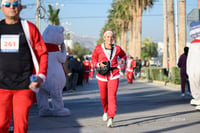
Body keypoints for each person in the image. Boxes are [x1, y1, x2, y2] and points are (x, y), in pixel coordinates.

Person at [0, 0, 48, 132]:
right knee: (0, 125)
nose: (12, 7)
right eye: (8, 4)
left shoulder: (29, 28)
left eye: (15, 4)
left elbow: (42, 53)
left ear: (20, 7)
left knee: (21, 127)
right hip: (1, 87)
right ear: (2, 8)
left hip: (23, 86)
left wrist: (41, 76)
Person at [91, 30, 126, 128]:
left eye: (111, 37)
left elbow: (123, 55)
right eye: (107, 37)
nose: (109, 39)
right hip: (102, 75)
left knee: (112, 96)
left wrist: (122, 60)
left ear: (113, 38)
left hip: (114, 74)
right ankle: (105, 111)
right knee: (103, 97)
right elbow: (93, 59)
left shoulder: (117, 49)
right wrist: (98, 64)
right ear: (104, 38)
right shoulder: (98, 48)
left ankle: (111, 117)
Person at [37, 25, 71, 117]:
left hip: (42, 77)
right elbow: (63, 59)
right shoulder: (56, 52)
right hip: (54, 78)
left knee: (41, 94)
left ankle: (43, 109)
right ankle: (58, 109)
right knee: (56, 93)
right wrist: (63, 49)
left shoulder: (41, 51)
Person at [187, 21, 200, 110]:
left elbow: (190, 66)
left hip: (194, 71)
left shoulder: (193, 45)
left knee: (194, 78)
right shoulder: (193, 45)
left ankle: (198, 99)